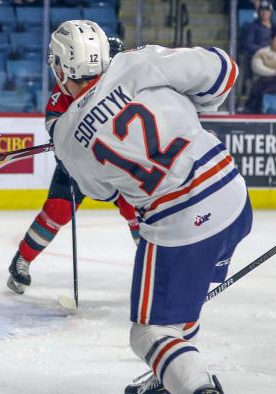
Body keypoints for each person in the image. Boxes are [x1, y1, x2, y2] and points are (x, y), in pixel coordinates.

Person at [49, 20, 252, 394]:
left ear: (62, 67)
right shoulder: (135, 63)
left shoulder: (64, 135)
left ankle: (193, 386)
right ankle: (172, 373)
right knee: (179, 307)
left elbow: (104, 192)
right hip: (233, 198)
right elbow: (224, 70)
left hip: (180, 222)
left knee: (150, 332)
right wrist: (190, 104)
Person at [7, 36, 139, 295]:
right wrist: (63, 149)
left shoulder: (126, 86)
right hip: (77, 164)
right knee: (57, 210)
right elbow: (54, 127)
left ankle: (155, 266)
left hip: (114, 161)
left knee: (134, 209)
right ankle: (21, 260)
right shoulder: (68, 88)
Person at [247, 31, 276, 113]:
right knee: (267, 81)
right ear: (271, 40)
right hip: (265, 81)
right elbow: (257, 67)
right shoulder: (262, 52)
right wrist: (273, 72)